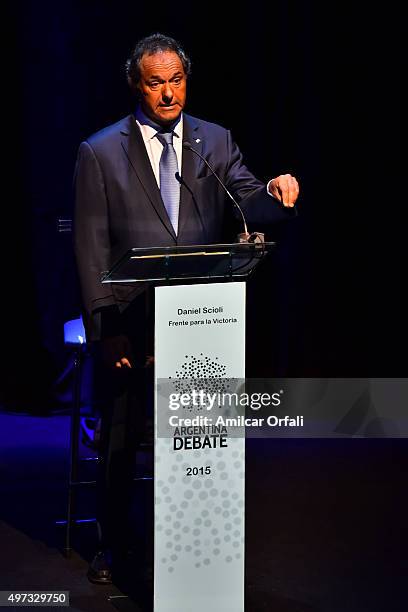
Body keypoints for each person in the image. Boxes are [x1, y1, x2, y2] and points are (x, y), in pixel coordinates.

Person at [73, 32, 300, 585]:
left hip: (201, 321)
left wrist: (274, 191)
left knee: (195, 432)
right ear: (136, 85)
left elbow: (245, 200)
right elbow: (88, 242)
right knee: (121, 441)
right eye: (156, 83)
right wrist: (105, 325)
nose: (169, 93)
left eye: (176, 81)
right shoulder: (99, 152)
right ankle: (111, 544)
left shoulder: (213, 142)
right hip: (131, 318)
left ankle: (191, 538)